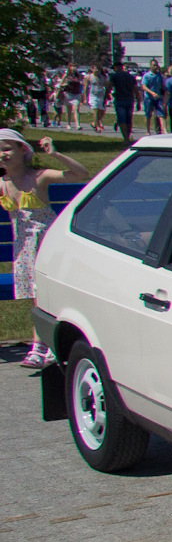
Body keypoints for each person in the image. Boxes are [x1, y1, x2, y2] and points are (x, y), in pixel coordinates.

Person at [1, 129, 92, 368]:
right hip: (23, 247)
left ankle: (40, 347)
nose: (3, 155)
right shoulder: (2, 183)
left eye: (7, 148)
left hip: (47, 243)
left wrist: (56, 153)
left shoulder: (39, 177)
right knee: (38, 297)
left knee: (45, 295)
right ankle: (48, 344)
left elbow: (81, 174)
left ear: (23, 150)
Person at [108, 60, 139, 144]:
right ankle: (128, 136)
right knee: (129, 120)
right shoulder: (130, 77)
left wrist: (105, 97)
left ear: (116, 67)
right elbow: (136, 89)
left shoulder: (114, 76)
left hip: (119, 100)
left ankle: (125, 138)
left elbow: (109, 86)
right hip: (130, 100)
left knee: (122, 120)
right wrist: (139, 101)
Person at [141, 61, 165, 135]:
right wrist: (152, 93)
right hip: (149, 98)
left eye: (156, 65)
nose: (155, 67)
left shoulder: (159, 75)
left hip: (158, 97)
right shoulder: (147, 76)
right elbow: (143, 86)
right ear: (150, 66)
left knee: (161, 114)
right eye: (154, 65)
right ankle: (147, 131)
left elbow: (162, 85)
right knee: (148, 115)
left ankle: (164, 131)